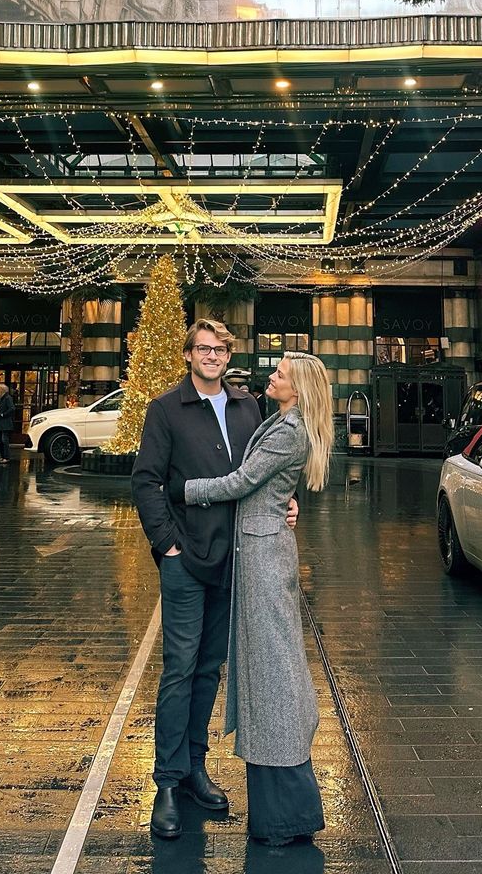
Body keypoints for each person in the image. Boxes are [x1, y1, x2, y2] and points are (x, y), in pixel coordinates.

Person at [132, 319, 299, 840]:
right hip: (186, 560)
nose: (211, 356)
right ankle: (166, 781)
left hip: (236, 561)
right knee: (179, 669)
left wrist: (289, 503)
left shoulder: (249, 407)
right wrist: (167, 545)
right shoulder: (166, 409)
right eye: (202, 348)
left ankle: (195, 769)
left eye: (219, 349)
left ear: (228, 356)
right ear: (188, 355)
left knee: (209, 669)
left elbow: (264, 472)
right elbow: (146, 481)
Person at [179, 352, 334, 847]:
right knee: (267, 667)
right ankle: (280, 806)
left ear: (299, 388)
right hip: (260, 547)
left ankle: (286, 808)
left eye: (281, 374)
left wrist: (183, 490)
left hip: (265, 558)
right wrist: (284, 504)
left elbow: (242, 482)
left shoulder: (289, 431)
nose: (272, 376)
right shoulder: (281, 422)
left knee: (274, 666)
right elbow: (264, 486)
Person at [0, 383, 14, 463]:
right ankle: (3, 456)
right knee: (0, 440)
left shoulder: (7, 398)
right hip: (0, 423)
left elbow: (11, 408)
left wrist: (3, 414)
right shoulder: (1, 398)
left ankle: (6, 457)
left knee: (4, 440)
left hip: (5, 423)